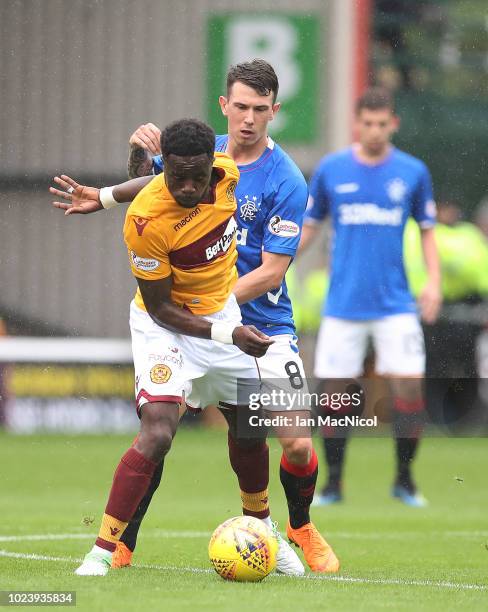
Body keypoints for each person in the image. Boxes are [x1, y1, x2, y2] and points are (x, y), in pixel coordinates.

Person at [55, 60, 340, 575]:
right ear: (224, 107)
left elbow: (273, 272)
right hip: (191, 320)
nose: (249, 119)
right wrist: (102, 193)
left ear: (274, 112)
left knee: (291, 441)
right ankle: (114, 546)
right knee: (159, 429)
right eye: (241, 108)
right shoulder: (201, 160)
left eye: (260, 109)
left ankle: (292, 526)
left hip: (261, 323)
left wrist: (215, 305)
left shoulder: (283, 180)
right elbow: (150, 188)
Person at [51, 118, 276, 576]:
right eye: (178, 177)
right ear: (165, 167)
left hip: (221, 312)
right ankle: (103, 550)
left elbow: (157, 179)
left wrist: (107, 193)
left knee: (251, 426)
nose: (189, 187)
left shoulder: (227, 171)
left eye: (198, 175)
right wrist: (228, 335)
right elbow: (160, 309)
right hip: (167, 325)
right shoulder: (144, 222)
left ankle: (263, 529)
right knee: (157, 433)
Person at [299, 87, 442, 507]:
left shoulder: (413, 172)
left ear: (393, 124)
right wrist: (279, 265)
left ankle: (404, 479)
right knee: (334, 395)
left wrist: (433, 282)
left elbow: (428, 231)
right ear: (356, 123)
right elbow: (310, 226)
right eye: (368, 123)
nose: (375, 130)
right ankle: (333, 484)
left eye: (382, 124)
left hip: (396, 304)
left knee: (409, 388)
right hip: (343, 305)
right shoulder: (331, 169)